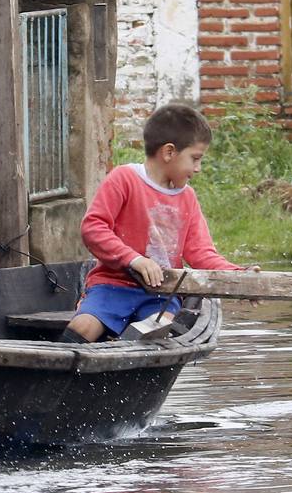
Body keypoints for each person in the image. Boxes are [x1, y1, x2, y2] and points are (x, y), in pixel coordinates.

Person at [61, 103, 245, 343]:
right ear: (169, 152)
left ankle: (124, 356)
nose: (198, 169)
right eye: (195, 159)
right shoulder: (124, 179)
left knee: (157, 332)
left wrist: (238, 276)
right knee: (83, 327)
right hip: (112, 285)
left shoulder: (187, 199)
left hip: (162, 295)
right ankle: (58, 374)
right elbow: (93, 228)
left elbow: (201, 253)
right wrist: (134, 259)